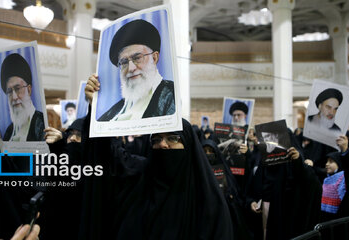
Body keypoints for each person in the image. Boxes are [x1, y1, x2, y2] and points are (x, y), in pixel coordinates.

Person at [79, 76, 233, 239]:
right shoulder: (141, 177)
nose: (163, 144)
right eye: (156, 139)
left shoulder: (208, 201)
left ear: (189, 145)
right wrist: (97, 107)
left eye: (173, 138)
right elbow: (108, 157)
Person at [97, 19, 175, 121]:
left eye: (137, 58)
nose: (131, 68)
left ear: (154, 58)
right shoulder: (115, 110)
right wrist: (91, 103)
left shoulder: (171, 94)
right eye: (124, 62)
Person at [0, 53, 45, 141]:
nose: (14, 97)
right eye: (9, 91)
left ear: (29, 89)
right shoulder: (10, 130)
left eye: (18, 88)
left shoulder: (42, 124)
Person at [320, 152, 346, 222]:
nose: (327, 164)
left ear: (339, 163)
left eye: (331, 162)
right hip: (324, 216)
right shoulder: (326, 179)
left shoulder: (343, 178)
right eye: (327, 161)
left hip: (337, 219)